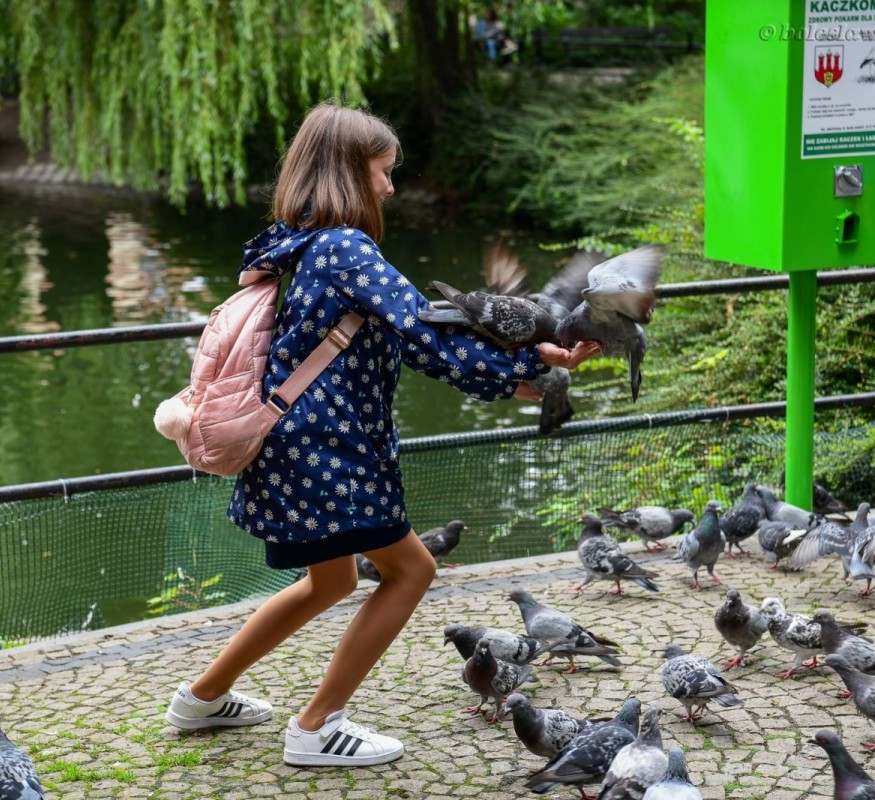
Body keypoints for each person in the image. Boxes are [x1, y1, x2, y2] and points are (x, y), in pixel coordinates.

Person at [163, 101, 599, 767]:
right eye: (383, 171)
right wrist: (527, 365)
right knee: (412, 569)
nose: (391, 186)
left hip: (289, 443)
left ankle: (202, 697)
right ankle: (316, 728)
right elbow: (426, 330)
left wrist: (520, 376)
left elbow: (411, 344)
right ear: (349, 171)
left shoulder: (292, 241)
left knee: (330, 582)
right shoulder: (346, 248)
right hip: (326, 450)